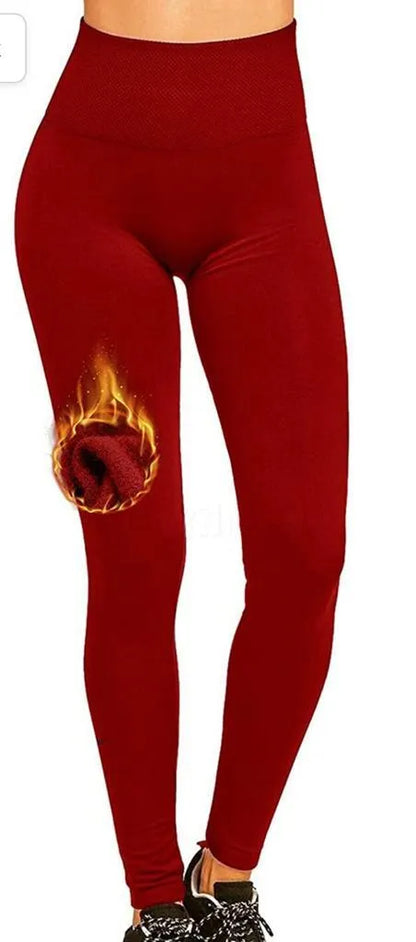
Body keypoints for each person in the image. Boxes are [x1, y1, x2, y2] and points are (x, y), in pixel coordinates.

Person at [14, 1, 348, 939]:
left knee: (304, 550)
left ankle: (226, 871)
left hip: (266, 193)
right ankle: (154, 899)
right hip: (88, 198)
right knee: (139, 558)